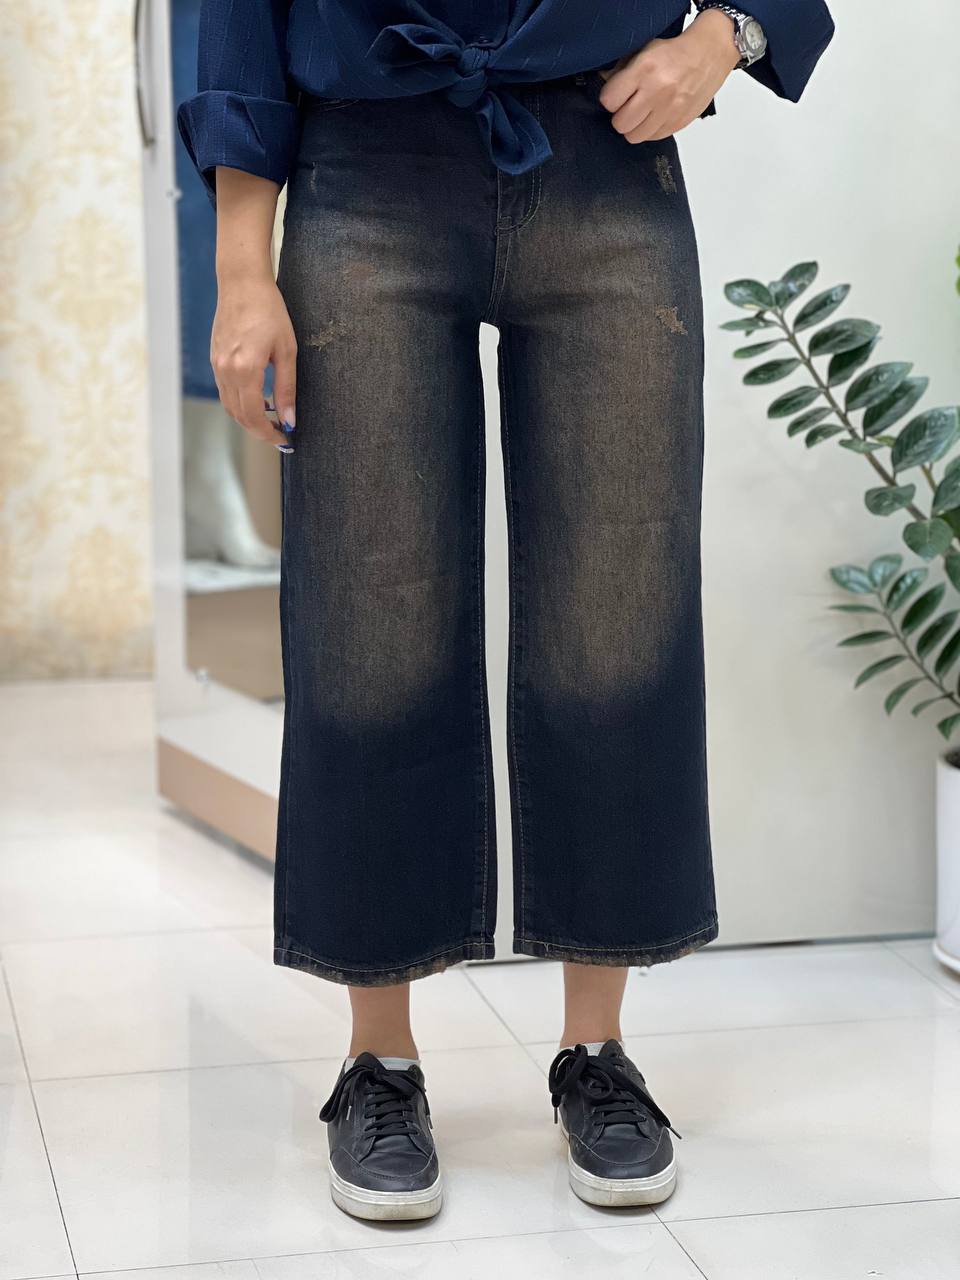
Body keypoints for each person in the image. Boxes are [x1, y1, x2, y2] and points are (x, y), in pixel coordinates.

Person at [177, 0, 834, 1223]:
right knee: (371, 629)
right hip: (365, 170)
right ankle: (380, 1061)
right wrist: (240, 269)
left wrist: (721, 41)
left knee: (616, 619)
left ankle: (597, 1052)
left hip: (607, 162)